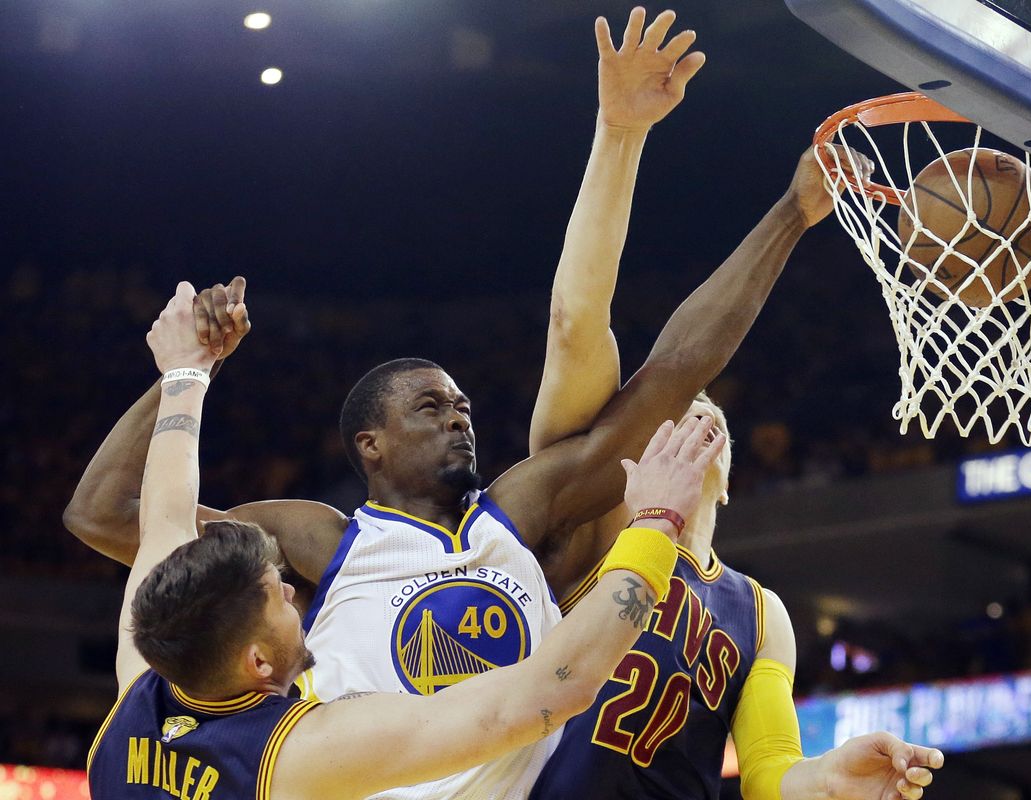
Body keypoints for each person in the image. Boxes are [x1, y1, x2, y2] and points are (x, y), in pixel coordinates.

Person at [65, 9, 871, 799]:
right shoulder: (317, 539)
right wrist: (175, 374)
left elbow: (670, 375)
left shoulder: (523, 510)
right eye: (429, 406)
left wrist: (791, 216)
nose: (460, 416)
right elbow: (109, 516)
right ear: (369, 444)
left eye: (463, 404)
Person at [89, 281, 725, 800]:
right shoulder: (293, 754)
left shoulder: (135, 704)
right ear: (258, 667)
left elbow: (167, 517)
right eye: (280, 601)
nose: (290, 589)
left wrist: (186, 373)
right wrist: (655, 526)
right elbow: (549, 691)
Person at [523, 135, 941, 800]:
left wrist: (830, 779)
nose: (691, 412)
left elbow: (771, 772)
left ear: (728, 456)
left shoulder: (759, 611)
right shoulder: (583, 527)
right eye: (668, 414)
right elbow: (577, 323)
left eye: (705, 410)